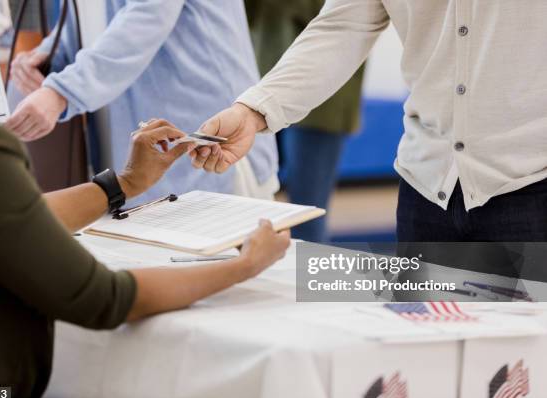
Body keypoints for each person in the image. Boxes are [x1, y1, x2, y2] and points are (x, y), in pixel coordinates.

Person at [0, 2, 290, 398]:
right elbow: (102, 297)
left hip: (211, 157)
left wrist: (122, 182)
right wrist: (242, 266)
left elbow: (142, 18)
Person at [191, 0, 547, 242]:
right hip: (425, 186)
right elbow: (342, 27)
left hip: (530, 182)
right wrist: (251, 112)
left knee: (528, 351)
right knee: (425, 346)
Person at [6, 0, 279, 204]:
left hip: (208, 140)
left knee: (225, 270)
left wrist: (62, 91)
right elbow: (95, 16)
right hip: (145, 148)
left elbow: (145, 19)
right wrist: (47, 54)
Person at [245, 0, 365, 242]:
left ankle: (313, 278)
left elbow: (333, 19)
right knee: (250, 211)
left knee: (306, 218)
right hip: (263, 95)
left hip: (322, 105)